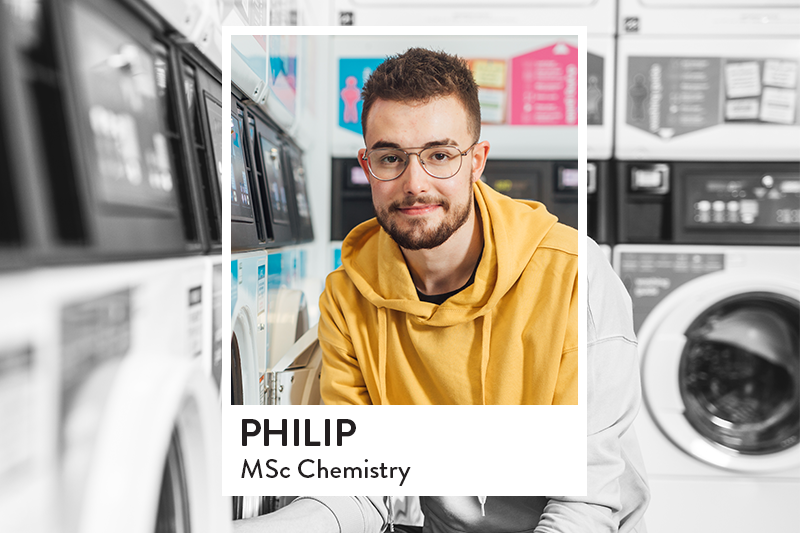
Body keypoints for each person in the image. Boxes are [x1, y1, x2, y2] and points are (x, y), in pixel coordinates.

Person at [319, 47, 578, 405]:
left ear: (476, 161)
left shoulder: (573, 275)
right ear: (367, 167)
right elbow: (354, 457)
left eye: (439, 156)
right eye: (391, 158)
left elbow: (585, 456)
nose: (414, 184)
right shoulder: (346, 297)